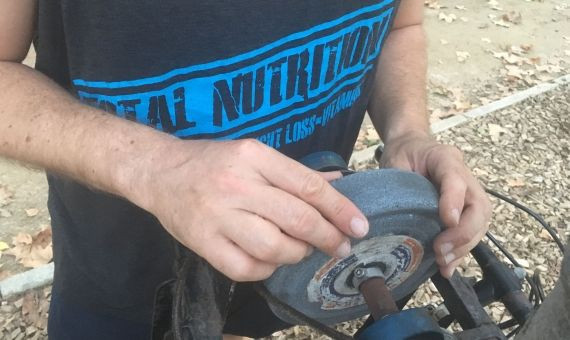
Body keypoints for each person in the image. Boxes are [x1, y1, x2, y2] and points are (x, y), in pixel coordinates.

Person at [0, 0, 491, 339]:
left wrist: (408, 132)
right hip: (126, 280)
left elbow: (400, 26)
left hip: (304, 254)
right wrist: (155, 165)